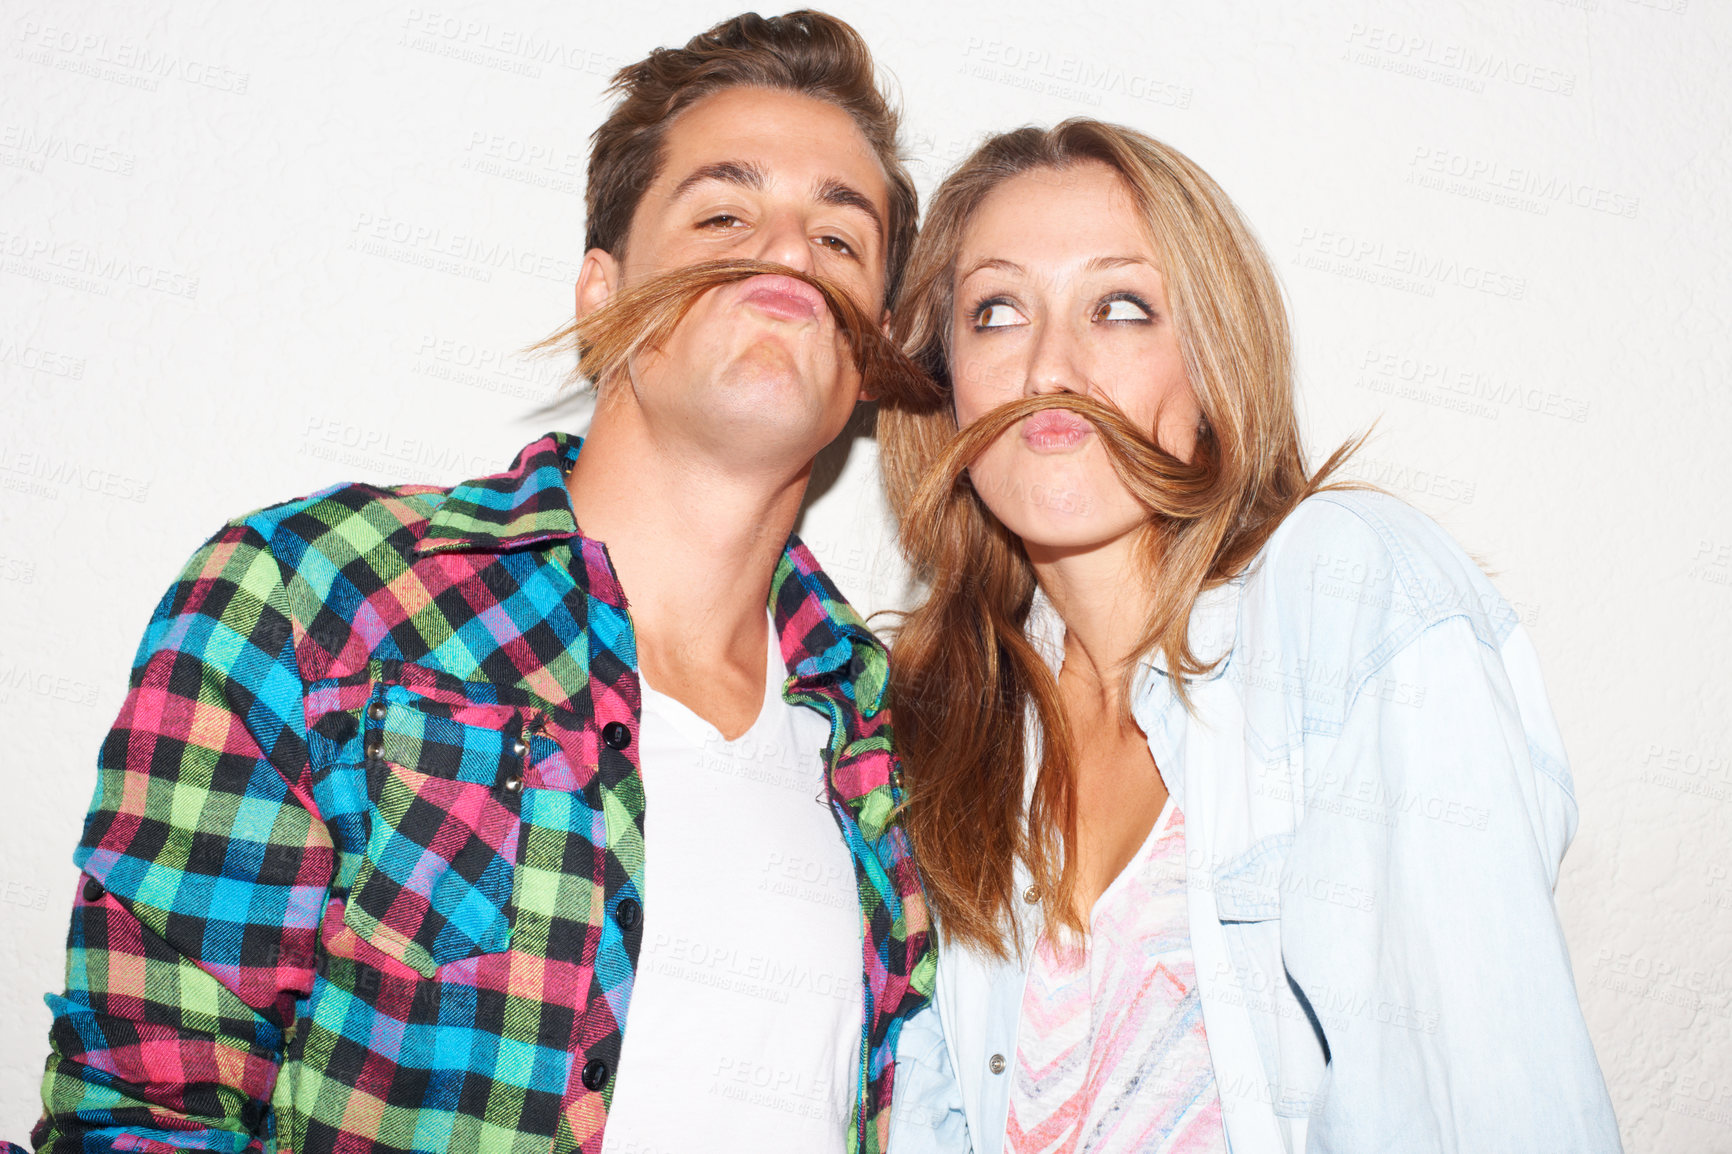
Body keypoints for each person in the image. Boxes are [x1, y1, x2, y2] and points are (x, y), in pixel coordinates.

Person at [21, 11, 939, 1154]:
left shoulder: (894, 739)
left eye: (840, 240)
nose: (789, 253)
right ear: (600, 294)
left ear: (875, 349)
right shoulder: (318, 598)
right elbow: (145, 1107)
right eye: (724, 214)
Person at [879, 120, 1622, 1153]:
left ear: (1212, 367)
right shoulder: (936, 727)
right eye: (996, 312)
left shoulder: (1344, 588)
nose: (1050, 363)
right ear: (945, 377)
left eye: (1120, 307)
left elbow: (1490, 1090)